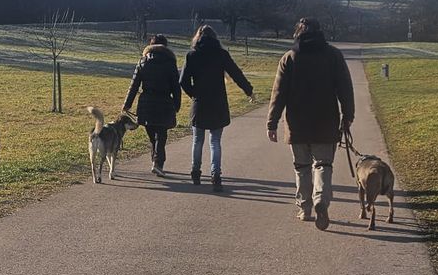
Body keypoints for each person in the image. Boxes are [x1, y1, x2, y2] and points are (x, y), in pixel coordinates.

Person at [266, 17, 355, 231]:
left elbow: (279, 93)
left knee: (302, 167)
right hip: (326, 121)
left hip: (297, 123)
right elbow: (345, 87)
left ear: (297, 33)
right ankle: (321, 200)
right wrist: (348, 115)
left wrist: (272, 122)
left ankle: (305, 209)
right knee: (323, 165)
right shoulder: (333, 55)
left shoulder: (290, 57)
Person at [178, 24, 254, 191]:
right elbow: (236, 73)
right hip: (218, 103)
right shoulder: (221, 54)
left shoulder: (192, 55)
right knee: (215, 142)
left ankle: (196, 172)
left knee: (197, 140)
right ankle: (216, 175)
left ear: (197, 37)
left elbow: (183, 81)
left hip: (200, 103)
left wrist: (194, 94)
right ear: (215, 38)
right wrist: (249, 91)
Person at [122, 34, 181, 177]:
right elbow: (176, 87)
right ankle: (157, 163)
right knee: (161, 135)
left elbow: (134, 85)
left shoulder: (143, 61)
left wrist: (127, 104)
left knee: (151, 135)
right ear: (165, 47)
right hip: (164, 102)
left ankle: (155, 161)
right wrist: (177, 105)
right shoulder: (170, 62)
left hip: (146, 103)